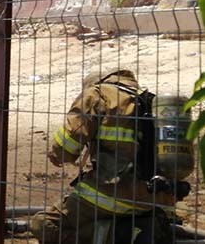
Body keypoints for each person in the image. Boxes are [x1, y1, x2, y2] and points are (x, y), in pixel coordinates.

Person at [30, 69, 192, 244]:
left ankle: (130, 235)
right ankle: (139, 227)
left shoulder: (97, 94)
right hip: (160, 197)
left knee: (43, 223)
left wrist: (55, 155)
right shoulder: (153, 103)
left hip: (114, 193)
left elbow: (64, 150)